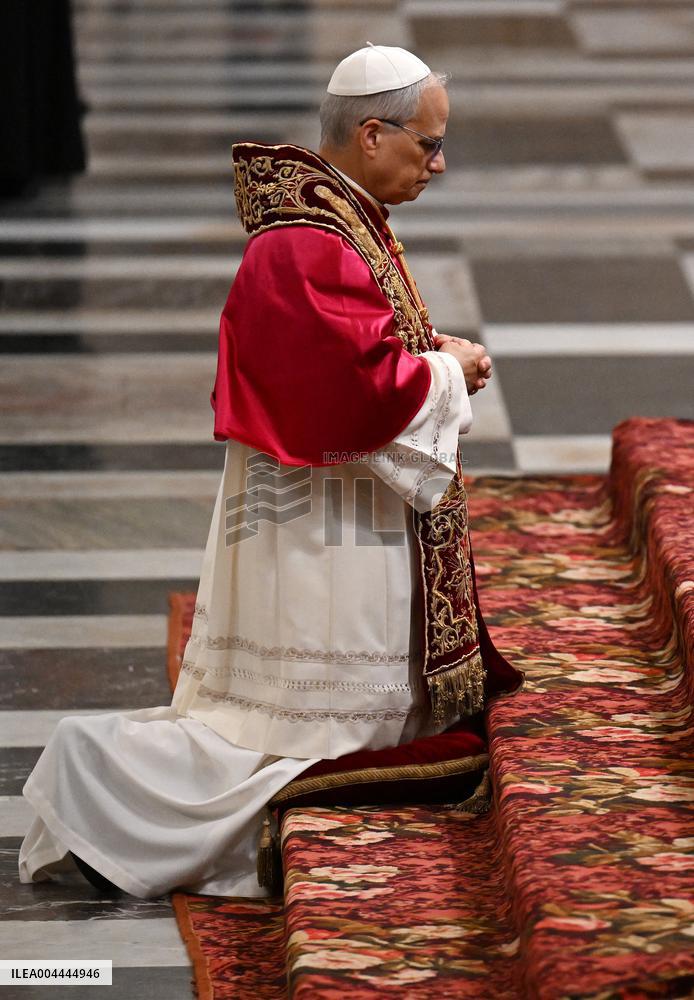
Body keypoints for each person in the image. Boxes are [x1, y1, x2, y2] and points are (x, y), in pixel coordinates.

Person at [19, 45, 524, 900]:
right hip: (323, 532)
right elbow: (349, 400)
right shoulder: (309, 246)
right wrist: (451, 373)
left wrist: (428, 352)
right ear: (372, 134)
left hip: (334, 512)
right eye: (428, 144)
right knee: (312, 739)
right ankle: (97, 777)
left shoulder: (337, 221)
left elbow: (355, 353)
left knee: (327, 732)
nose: (438, 163)